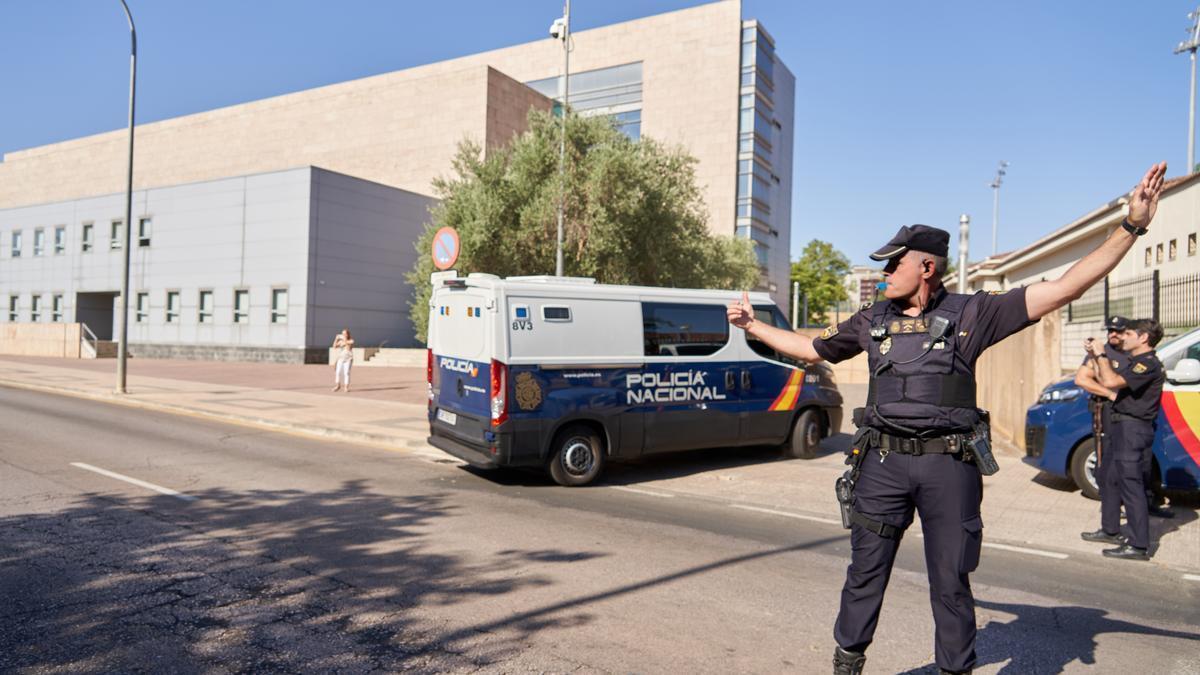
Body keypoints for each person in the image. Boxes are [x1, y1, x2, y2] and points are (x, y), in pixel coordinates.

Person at [726, 162, 1166, 675]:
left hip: (949, 468)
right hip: (881, 464)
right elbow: (810, 346)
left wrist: (1132, 226)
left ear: (926, 268)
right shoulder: (872, 319)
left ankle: (954, 668)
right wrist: (754, 325)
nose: (884, 275)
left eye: (893, 266)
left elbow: (1065, 286)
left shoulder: (974, 313)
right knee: (865, 572)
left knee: (951, 581)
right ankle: (848, 661)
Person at [1086, 318, 1167, 561]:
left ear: (1143, 338)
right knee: (1109, 477)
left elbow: (1110, 382)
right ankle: (1111, 530)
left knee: (1132, 486)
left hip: (1134, 429)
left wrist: (1101, 354)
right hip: (1121, 426)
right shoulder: (1136, 362)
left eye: (1129, 333)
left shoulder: (1148, 364)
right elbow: (1107, 379)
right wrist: (1095, 356)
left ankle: (1138, 544)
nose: (1123, 337)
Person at [1075, 315, 1128, 536]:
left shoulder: (1133, 354)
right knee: (1106, 467)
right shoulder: (1101, 352)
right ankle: (1110, 523)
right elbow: (1082, 379)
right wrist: (1109, 394)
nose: (1113, 334)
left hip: (1130, 416)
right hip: (1105, 412)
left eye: (1118, 331)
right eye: (1110, 330)